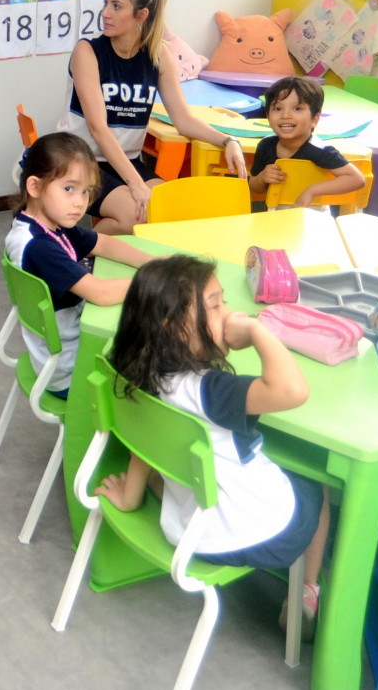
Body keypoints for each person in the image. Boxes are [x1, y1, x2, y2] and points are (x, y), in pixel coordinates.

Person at [96, 255, 330, 630]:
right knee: (315, 490)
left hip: (188, 529)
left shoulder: (139, 373)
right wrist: (255, 331)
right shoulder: (211, 391)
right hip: (255, 535)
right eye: (216, 305)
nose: (228, 312)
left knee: (175, 449)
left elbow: (146, 441)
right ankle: (306, 590)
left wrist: (129, 497)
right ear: (173, 328)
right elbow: (293, 390)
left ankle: (154, 493)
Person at [60, 0, 248, 234]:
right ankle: (70, 251)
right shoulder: (87, 51)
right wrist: (136, 184)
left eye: (116, 6)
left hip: (126, 161)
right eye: (106, 3)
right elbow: (97, 128)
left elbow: (183, 121)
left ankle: (105, 253)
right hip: (80, 160)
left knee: (171, 210)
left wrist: (229, 141)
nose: (105, 13)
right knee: (135, 216)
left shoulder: (159, 56)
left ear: (142, 15)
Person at [4, 134, 155, 393]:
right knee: (162, 364)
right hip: (70, 369)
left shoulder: (46, 225)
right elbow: (101, 293)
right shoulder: (40, 246)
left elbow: (104, 243)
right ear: (35, 186)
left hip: (61, 351)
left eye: (86, 192)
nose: (80, 202)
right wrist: (155, 280)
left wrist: (153, 262)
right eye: (69, 188)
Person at [246, 76, 365, 209]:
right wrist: (262, 178)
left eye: (297, 108)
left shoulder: (319, 150)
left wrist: (312, 190)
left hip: (310, 221)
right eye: (277, 109)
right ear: (268, 116)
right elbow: (254, 186)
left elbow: (357, 179)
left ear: (314, 119)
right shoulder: (266, 145)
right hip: (273, 217)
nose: (285, 115)